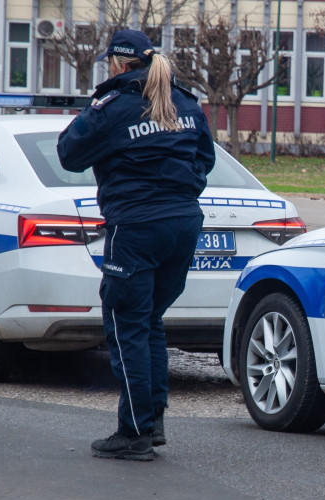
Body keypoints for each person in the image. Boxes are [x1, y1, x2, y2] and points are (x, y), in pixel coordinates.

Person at [57, 30, 215, 461]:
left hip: (137, 227)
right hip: (183, 223)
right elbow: (205, 160)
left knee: (126, 323)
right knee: (148, 322)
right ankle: (153, 419)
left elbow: (69, 153)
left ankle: (135, 433)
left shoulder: (116, 104)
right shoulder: (184, 102)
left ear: (117, 62)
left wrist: (97, 105)